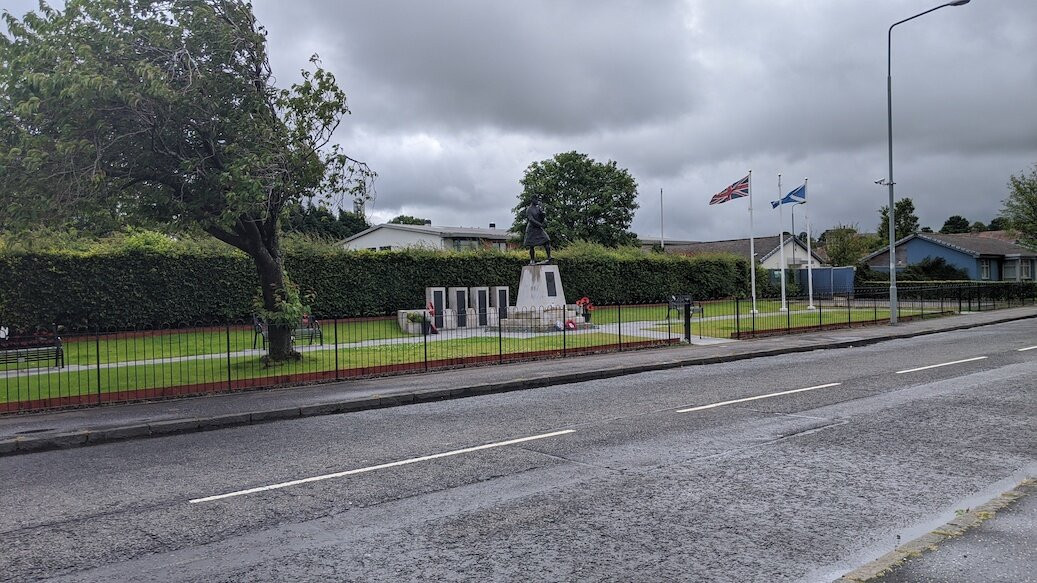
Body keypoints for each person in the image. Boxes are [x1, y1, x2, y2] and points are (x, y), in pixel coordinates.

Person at [523, 196, 552, 264]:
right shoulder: (529, 209)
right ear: (532, 200)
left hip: (538, 228)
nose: (537, 201)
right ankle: (532, 259)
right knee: (531, 245)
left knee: (547, 240)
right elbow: (531, 219)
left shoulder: (538, 208)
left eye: (538, 200)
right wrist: (540, 225)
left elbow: (541, 219)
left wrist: (543, 215)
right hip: (531, 229)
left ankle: (549, 257)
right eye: (536, 199)